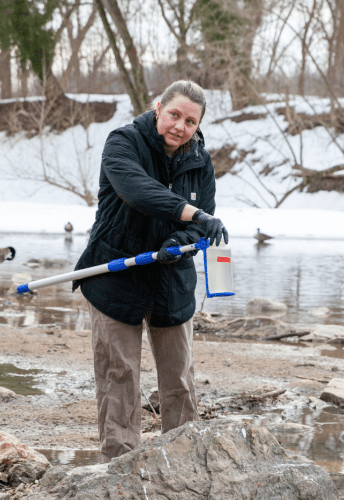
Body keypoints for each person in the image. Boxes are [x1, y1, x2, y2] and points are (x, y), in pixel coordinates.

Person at [73, 80, 228, 463]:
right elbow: (138, 191)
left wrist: (182, 241)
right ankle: (120, 466)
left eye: (191, 121)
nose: (180, 126)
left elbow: (200, 224)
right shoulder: (122, 142)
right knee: (119, 377)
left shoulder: (200, 161)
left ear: (198, 125)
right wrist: (195, 215)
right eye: (174, 114)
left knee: (179, 379)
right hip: (115, 275)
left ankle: (183, 461)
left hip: (171, 281)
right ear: (158, 108)